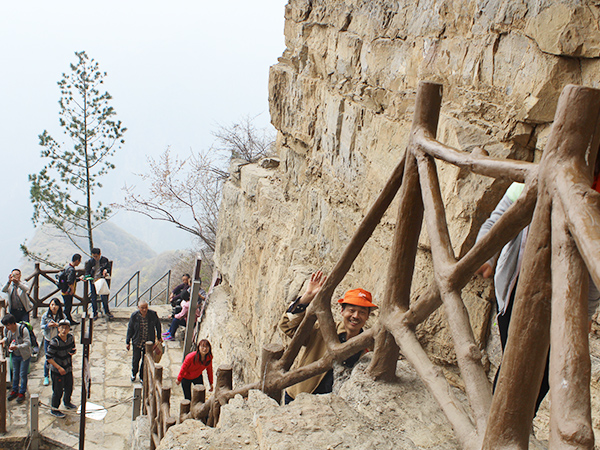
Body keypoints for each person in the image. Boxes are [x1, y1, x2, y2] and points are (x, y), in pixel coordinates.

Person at [476, 182, 600, 414]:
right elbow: (496, 223)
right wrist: (486, 255)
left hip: (564, 305)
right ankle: (499, 424)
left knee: (541, 378)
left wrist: (586, 314)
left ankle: (512, 422)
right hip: (519, 293)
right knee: (515, 368)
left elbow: (594, 274)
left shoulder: (595, 202)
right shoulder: (527, 183)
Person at [279, 271, 377, 403]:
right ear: (342, 311)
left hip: (335, 407)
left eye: (362, 312)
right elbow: (288, 326)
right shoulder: (323, 330)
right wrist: (307, 297)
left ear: (367, 317)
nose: (355, 316)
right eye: (352, 310)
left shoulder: (369, 345)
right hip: (300, 397)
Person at [46, 319, 77, 418]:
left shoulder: (70, 338)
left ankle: (67, 402)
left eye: (66, 328)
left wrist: (72, 352)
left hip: (67, 367)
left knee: (69, 387)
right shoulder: (55, 342)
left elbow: (72, 349)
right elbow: (49, 358)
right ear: (58, 329)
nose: (64, 330)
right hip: (57, 370)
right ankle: (54, 409)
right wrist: (59, 368)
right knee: (58, 390)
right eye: (62, 328)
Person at [126, 300, 162, 382]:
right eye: (142, 308)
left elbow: (158, 325)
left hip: (148, 342)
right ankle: (134, 373)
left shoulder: (152, 314)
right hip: (137, 341)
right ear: (139, 308)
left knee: (145, 360)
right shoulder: (134, 316)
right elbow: (130, 329)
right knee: (136, 359)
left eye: (146, 307)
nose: (144, 310)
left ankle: (142, 376)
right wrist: (127, 342)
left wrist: (159, 336)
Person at [1, 313, 32, 404]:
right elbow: (7, 338)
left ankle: (22, 392)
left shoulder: (23, 330)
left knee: (23, 374)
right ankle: (15, 390)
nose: (7, 327)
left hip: (24, 355)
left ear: (13, 323)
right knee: (15, 373)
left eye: (8, 325)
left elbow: (28, 343)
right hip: (14, 354)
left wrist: (17, 347)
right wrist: (4, 340)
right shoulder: (6, 331)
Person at [41, 298, 65, 386]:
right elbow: (42, 326)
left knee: (59, 357)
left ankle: (58, 372)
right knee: (48, 358)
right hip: (48, 339)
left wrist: (58, 325)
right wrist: (48, 325)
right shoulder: (45, 315)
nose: (53, 307)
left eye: (55, 305)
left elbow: (66, 324)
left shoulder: (62, 316)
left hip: (58, 339)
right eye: (52, 305)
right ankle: (46, 376)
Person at [84, 248, 113, 320]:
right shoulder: (90, 262)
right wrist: (88, 277)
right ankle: (95, 312)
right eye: (93, 256)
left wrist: (106, 270)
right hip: (93, 281)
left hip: (102, 280)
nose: (95, 258)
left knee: (104, 296)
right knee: (93, 297)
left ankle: (107, 311)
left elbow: (108, 268)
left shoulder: (104, 260)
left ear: (100, 254)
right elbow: (87, 271)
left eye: (96, 256)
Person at [60, 253, 81, 325]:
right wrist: (72, 290)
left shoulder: (67, 267)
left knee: (67, 306)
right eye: (79, 261)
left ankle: (68, 320)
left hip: (63, 290)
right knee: (68, 307)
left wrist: (79, 279)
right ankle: (66, 322)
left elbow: (70, 278)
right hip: (67, 292)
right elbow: (69, 281)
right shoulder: (72, 270)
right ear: (77, 260)